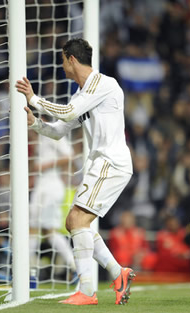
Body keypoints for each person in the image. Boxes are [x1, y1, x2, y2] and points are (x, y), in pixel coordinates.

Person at [16, 38, 135, 305]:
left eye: (62, 59)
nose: (61, 66)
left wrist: (34, 98)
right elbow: (59, 131)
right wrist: (35, 123)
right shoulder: (81, 95)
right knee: (73, 223)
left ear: (71, 59)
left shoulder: (104, 84)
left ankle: (88, 291)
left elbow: (69, 113)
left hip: (111, 163)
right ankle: (119, 273)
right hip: (99, 165)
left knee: (78, 221)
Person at [28, 131, 76, 280]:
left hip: (50, 186)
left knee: (34, 229)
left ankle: (21, 270)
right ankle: (75, 268)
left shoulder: (50, 134)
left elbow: (69, 155)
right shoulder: (39, 138)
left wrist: (44, 166)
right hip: (44, 186)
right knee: (49, 232)